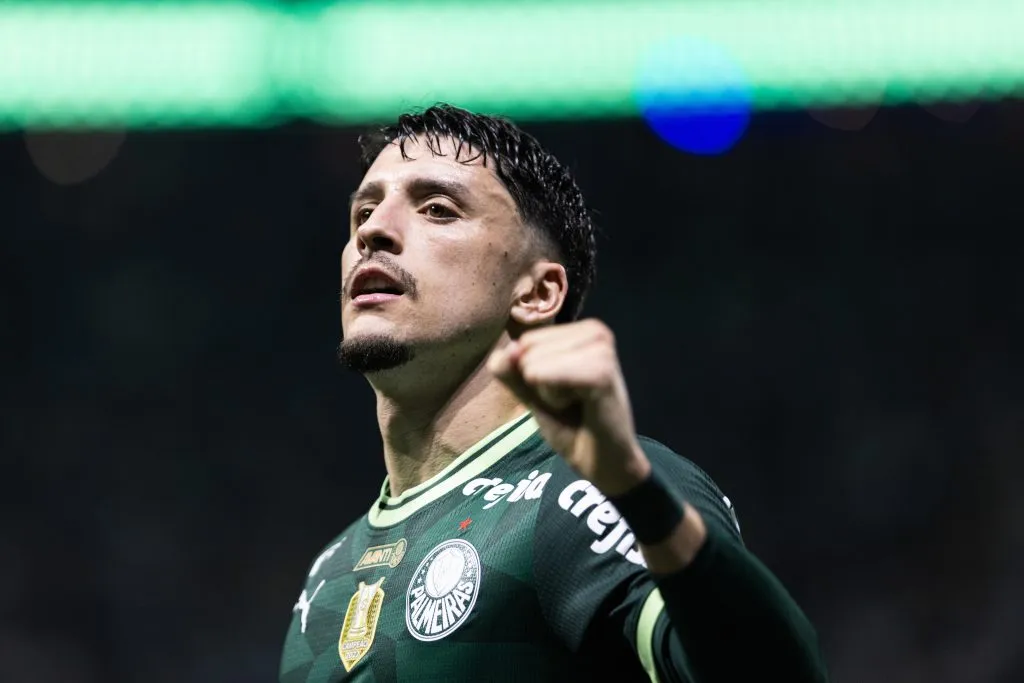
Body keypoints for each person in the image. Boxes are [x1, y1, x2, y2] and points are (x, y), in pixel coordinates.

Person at [279, 104, 828, 682]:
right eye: (364, 211)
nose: (372, 231)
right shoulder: (327, 577)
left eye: (437, 209)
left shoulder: (587, 494)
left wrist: (636, 490)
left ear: (538, 293)